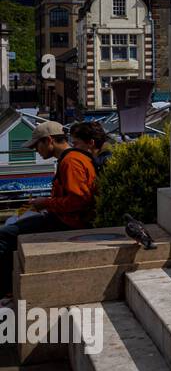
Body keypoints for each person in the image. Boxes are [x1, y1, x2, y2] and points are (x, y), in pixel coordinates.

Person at [0, 121, 98, 304]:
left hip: (68, 222)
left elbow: (79, 200)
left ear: (49, 141)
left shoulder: (70, 162)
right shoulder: (75, 158)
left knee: (5, 235)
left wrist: (45, 203)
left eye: (37, 145)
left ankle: (5, 291)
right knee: (12, 229)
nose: (36, 151)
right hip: (63, 217)